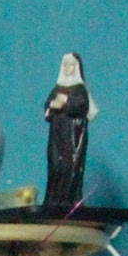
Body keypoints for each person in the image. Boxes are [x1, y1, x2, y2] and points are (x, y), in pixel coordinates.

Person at [43, 52, 95, 211]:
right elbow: (48, 106)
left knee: (70, 165)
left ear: (76, 67)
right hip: (57, 132)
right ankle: (54, 200)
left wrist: (65, 103)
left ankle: (69, 201)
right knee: (55, 164)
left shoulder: (79, 89)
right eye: (65, 64)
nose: (68, 68)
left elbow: (82, 106)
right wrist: (52, 105)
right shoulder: (57, 88)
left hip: (73, 134)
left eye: (71, 65)